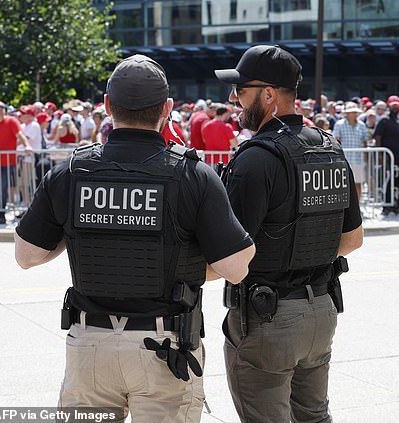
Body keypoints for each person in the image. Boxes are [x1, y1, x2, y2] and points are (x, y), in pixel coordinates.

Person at [13, 54, 256, 422]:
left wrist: (78, 227)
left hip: (89, 344)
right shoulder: (194, 176)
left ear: (107, 105)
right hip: (164, 348)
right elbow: (236, 268)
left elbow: (26, 256)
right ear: (167, 109)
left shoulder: (71, 172)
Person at [215, 44, 363, 423]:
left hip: (269, 320)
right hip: (321, 313)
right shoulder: (330, 148)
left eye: (240, 90)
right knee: (314, 417)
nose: (233, 98)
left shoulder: (256, 159)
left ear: (268, 95)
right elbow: (352, 238)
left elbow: (232, 259)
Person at [373, 96, 399, 215]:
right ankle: (386, 205)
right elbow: (378, 137)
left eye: (397, 106)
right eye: (393, 106)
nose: (395, 108)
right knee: (389, 180)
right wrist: (380, 154)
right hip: (388, 156)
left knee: (398, 180)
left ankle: (397, 205)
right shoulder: (384, 120)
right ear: (389, 106)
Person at [333, 101, 367, 200]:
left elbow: (365, 141)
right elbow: (336, 141)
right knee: (343, 184)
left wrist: (366, 156)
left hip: (358, 159)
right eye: (351, 112)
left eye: (355, 112)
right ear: (347, 113)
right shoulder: (339, 124)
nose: (354, 114)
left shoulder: (361, 125)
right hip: (344, 160)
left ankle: (357, 206)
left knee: (358, 183)